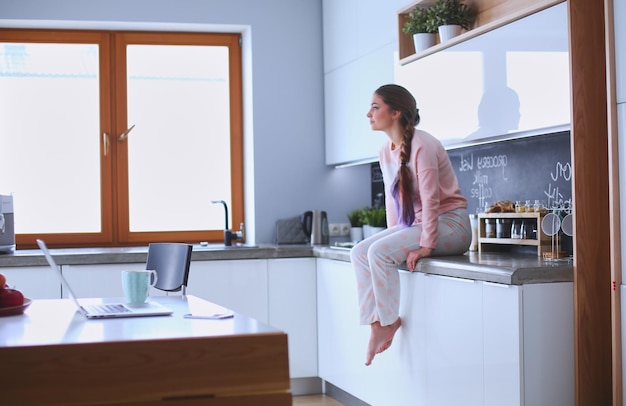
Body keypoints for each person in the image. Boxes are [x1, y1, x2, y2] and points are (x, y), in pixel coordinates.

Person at [350, 84, 472, 366]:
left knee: (378, 253)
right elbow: (393, 203)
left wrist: (426, 245)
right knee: (359, 252)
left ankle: (389, 321)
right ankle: (376, 323)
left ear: (395, 113)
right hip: (422, 225)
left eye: (375, 107)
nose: (368, 114)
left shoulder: (423, 145)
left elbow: (431, 200)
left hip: (452, 227)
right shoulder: (385, 151)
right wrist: (394, 235)